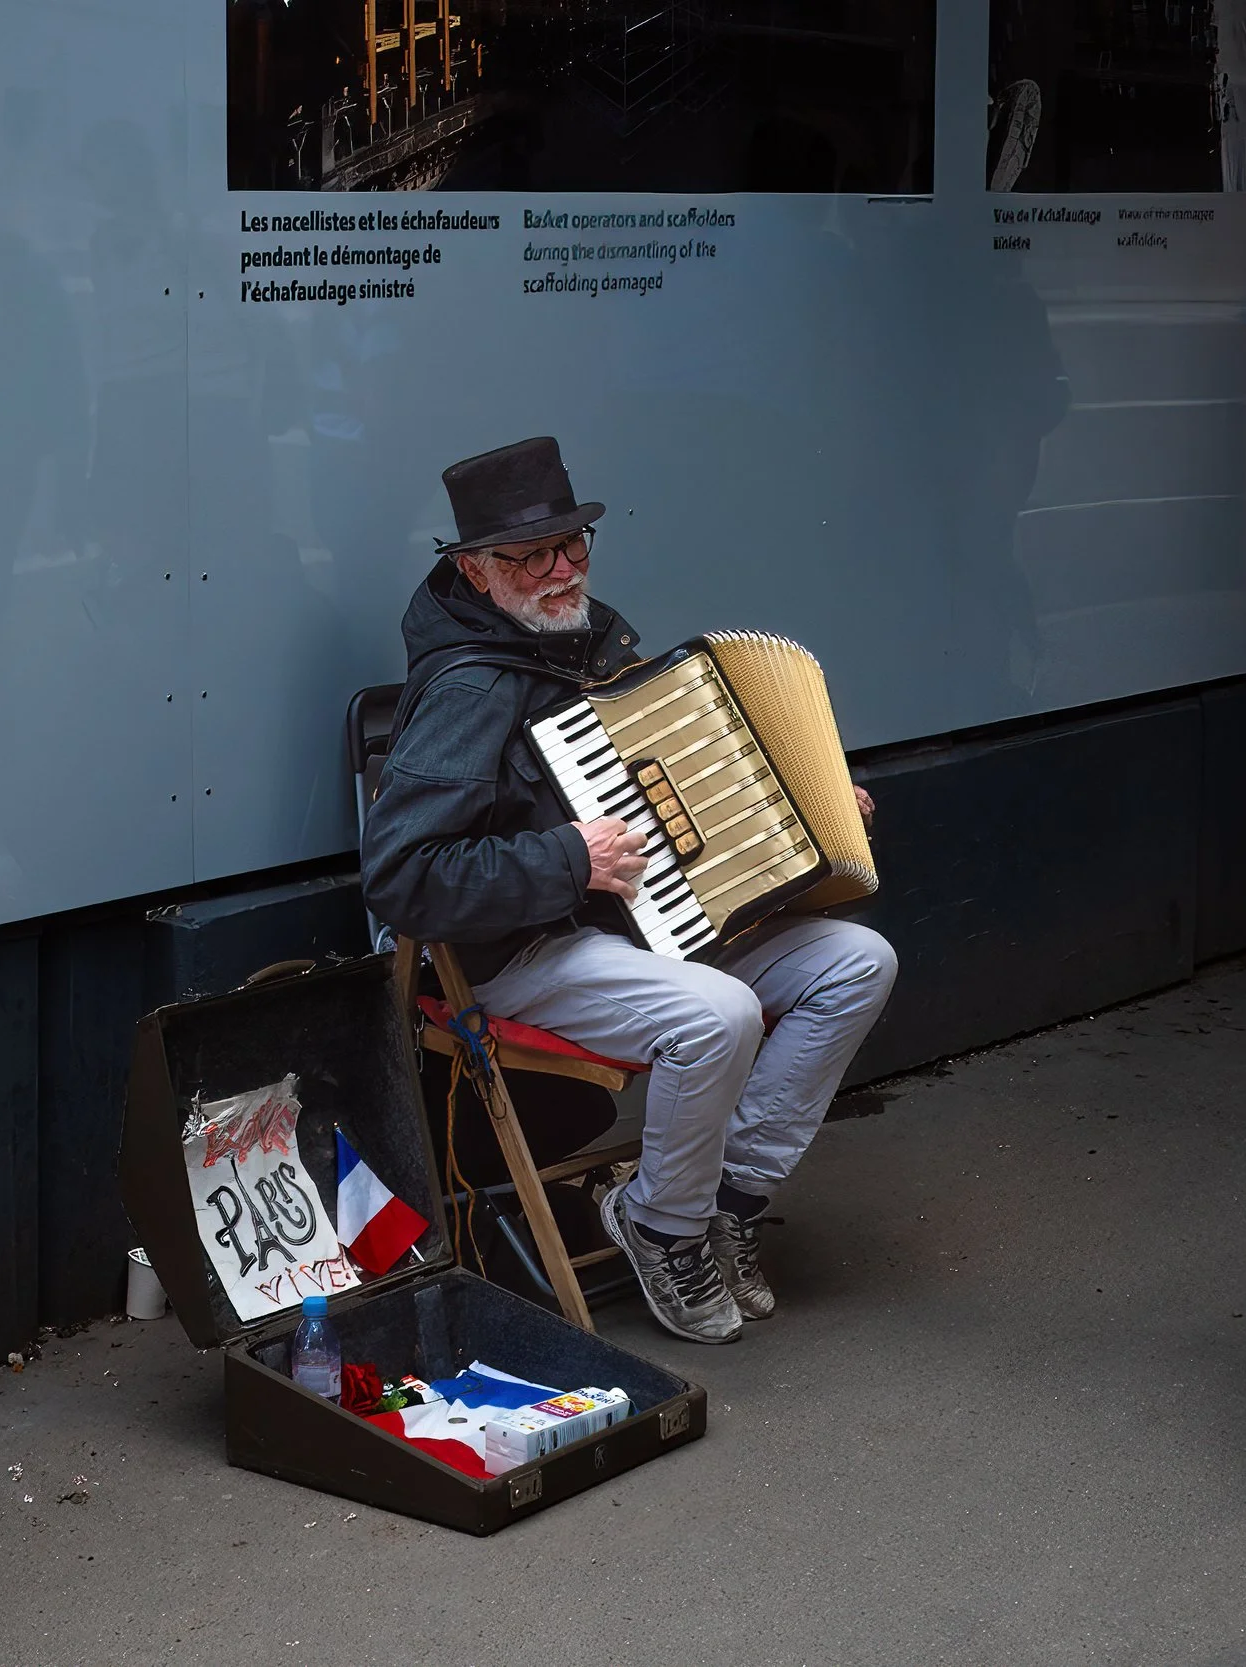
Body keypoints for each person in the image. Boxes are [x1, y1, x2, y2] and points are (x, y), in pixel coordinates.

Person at [360, 436, 898, 1345]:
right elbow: (402, 879)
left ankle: (725, 1198)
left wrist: (809, 810)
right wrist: (568, 861)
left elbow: (676, 797)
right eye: (532, 556)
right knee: (718, 1014)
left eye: (573, 545)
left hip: (648, 924)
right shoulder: (466, 689)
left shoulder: (591, 643)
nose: (561, 569)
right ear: (477, 570)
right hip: (522, 952)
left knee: (856, 961)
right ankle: (661, 1224)